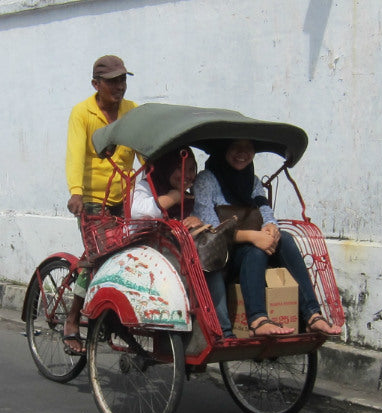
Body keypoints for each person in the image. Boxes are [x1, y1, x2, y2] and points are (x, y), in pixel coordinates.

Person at [193, 138, 340, 338]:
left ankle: (312, 314)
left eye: (249, 148)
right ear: (224, 148)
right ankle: (258, 319)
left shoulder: (252, 181)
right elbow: (211, 229)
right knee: (256, 250)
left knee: (285, 238)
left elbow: (265, 210)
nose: (242, 153)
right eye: (236, 146)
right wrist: (253, 237)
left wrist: (271, 228)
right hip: (222, 254)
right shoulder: (206, 180)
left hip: (253, 245)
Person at [62, 54, 136, 353]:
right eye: (113, 81)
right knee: (97, 258)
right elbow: (75, 153)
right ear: (96, 84)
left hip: (123, 196)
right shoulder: (82, 113)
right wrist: (76, 191)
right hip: (91, 199)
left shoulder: (132, 111)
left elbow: (145, 151)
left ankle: (113, 317)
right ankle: (72, 317)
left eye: (123, 80)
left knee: (128, 257)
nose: (119, 86)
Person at [130, 147, 236, 339]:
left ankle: (220, 329)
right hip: (148, 253)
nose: (187, 176)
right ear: (165, 167)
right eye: (180, 168)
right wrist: (173, 197)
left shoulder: (190, 195)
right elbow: (138, 211)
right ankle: (220, 330)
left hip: (180, 252)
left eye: (192, 169)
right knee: (202, 265)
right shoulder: (147, 186)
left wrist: (196, 221)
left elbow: (197, 219)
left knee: (211, 263)